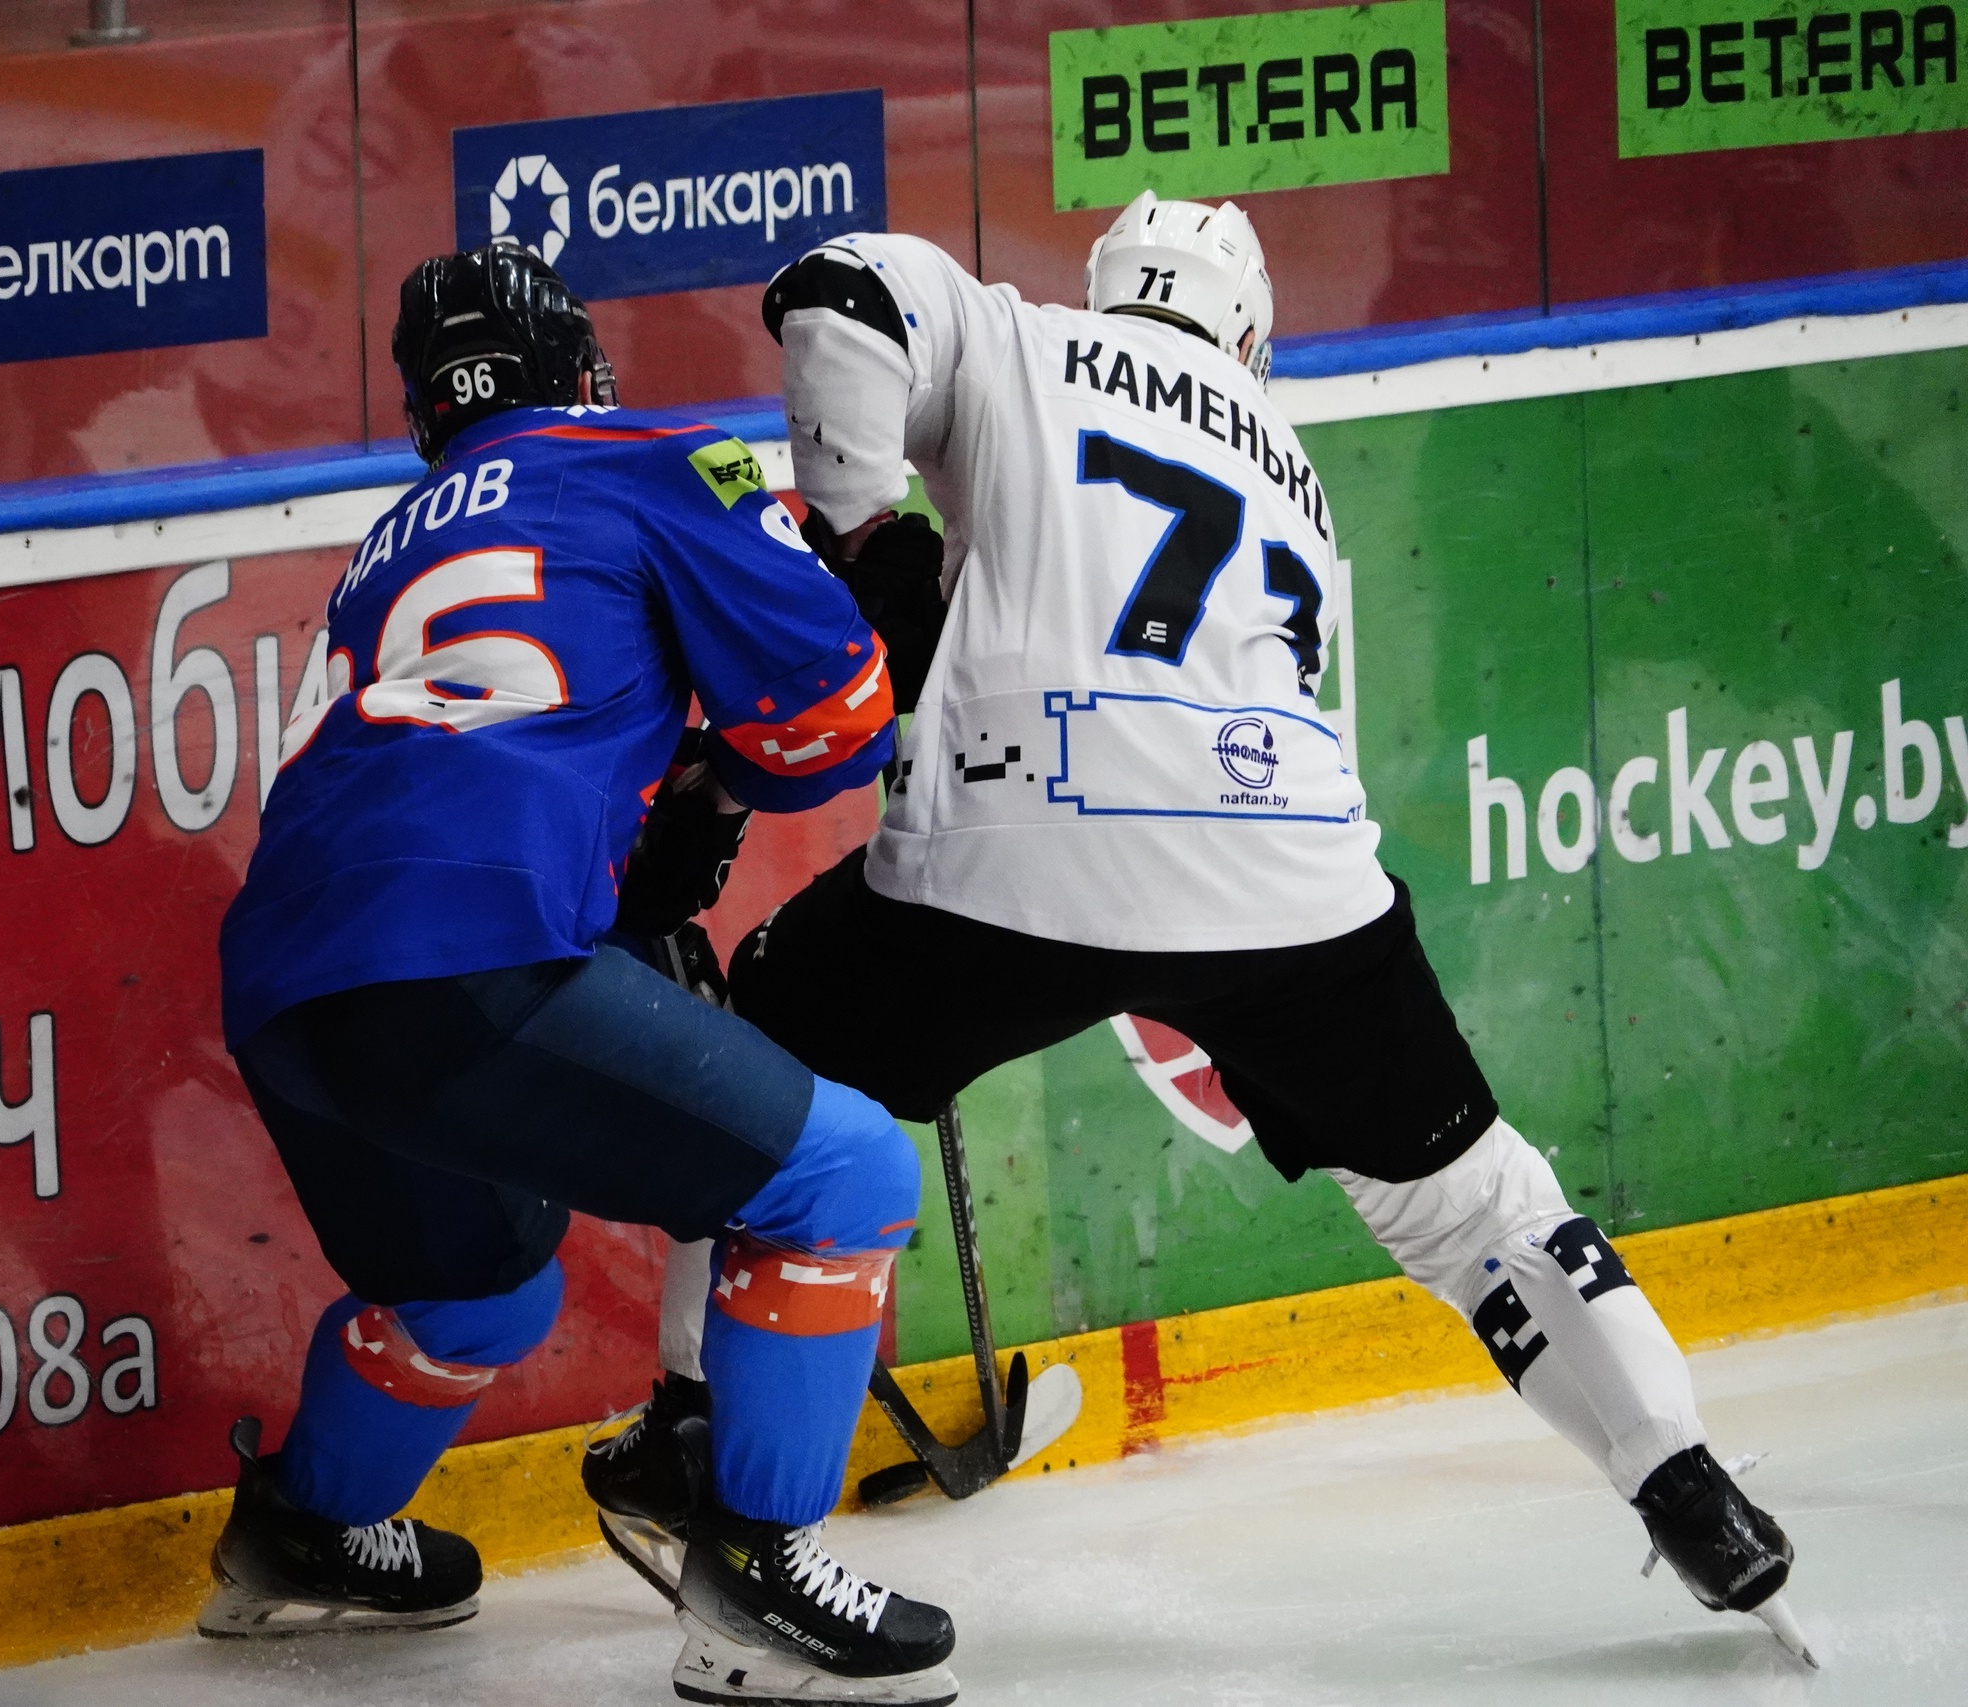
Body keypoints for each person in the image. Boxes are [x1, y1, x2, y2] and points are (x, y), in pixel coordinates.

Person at [587, 193, 1811, 1665]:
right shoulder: (1294, 471)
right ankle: (1686, 1482)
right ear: (1250, 335)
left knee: (766, 1070)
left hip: (1010, 847)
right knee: (1475, 1203)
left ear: (1109, 285)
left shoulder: (1023, 339)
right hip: (1288, 874)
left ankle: (693, 1428)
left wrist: (859, 538)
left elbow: (839, 294)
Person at [204, 238, 961, 1707]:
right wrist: (830, 674)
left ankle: (306, 1532)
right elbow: (828, 730)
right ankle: (758, 1588)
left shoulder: (387, 545)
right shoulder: (657, 459)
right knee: (845, 1173)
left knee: (476, 1290)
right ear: (581, 367)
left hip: (286, 989)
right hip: (467, 948)